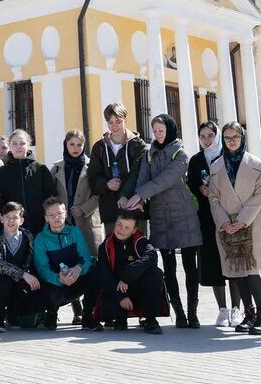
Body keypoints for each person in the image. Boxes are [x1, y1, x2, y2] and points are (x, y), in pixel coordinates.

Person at [121, 113, 204, 328]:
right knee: (168, 267)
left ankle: (192, 312)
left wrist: (140, 194)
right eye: (155, 131)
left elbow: (165, 180)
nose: (158, 135)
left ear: (170, 129)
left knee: (189, 266)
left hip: (183, 214)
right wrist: (137, 200)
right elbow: (143, 179)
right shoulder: (150, 154)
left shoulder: (180, 153)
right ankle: (179, 313)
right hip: (160, 215)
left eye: (161, 130)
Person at [209, 121, 261, 335]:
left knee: (251, 270)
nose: (231, 141)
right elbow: (213, 197)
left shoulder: (255, 164)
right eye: (227, 138)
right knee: (236, 272)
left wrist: (242, 220)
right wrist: (224, 222)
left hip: (249, 223)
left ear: (242, 137)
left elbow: (260, 195)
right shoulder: (216, 166)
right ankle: (249, 313)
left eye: (235, 137)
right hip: (227, 226)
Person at [189, 120, 240, 328]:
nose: (207, 140)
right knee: (212, 262)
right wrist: (199, 190)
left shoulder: (227, 155)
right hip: (206, 218)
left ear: (217, 135)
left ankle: (237, 308)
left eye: (210, 135)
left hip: (229, 216)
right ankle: (222, 309)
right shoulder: (196, 160)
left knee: (233, 261)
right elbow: (191, 183)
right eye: (202, 136)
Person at [50, 129, 102, 324]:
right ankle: (76, 307)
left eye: (79, 145)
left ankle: (91, 309)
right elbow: (50, 195)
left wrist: (83, 208)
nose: (75, 148)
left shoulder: (93, 166)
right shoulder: (56, 168)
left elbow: (99, 194)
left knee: (87, 264)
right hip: (63, 224)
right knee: (66, 263)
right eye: (71, 144)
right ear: (66, 145)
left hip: (85, 222)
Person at [93, 210, 167, 333]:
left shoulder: (141, 241)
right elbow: (105, 275)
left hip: (140, 291)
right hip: (117, 292)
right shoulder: (105, 246)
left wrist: (128, 274)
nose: (121, 230)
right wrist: (122, 297)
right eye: (119, 225)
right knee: (97, 272)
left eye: (127, 227)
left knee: (155, 273)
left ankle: (150, 320)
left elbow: (152, 256)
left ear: (134, 230)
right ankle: (120, 318)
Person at [32, 198, 100, 331]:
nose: (56, 217)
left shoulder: (75, 232)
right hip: (55, 284)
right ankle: (51, 315)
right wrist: (59, 278)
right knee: (49, 290)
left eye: (59, 213)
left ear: (65, 214)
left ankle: (87, 316)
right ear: (46, 218)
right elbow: (42, 269)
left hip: (76, 279)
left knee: (95, 274)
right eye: (51, 215)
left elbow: (86, 257)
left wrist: (78, 268)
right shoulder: (40, 239)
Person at [0, 201, 44, 332]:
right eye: (7, 217)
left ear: (21, 220)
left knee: (31, 286)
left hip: (20, 279)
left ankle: (13, 316)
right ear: (2, 219)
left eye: (15, 217)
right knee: (2, 281)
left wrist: (29, 276)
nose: (11, 221)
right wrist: (22, 274)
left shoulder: (28, 236)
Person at [87, 103, 145, 232]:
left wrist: (125, 195)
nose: (114, 126)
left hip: (134, 207)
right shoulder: (99, 147)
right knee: (113, 250)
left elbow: (139, 174)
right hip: (110, 210)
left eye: (118, 121)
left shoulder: (138, 145)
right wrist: (107, 185)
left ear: (125, 120)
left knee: (138, 248)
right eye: (110, 122)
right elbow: (92, 178)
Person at [0, 129, 57, 228]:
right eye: (14, 143)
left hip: (40, 224)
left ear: (28, 145)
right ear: (10, 146)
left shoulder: (40, 168)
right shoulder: (2, 172)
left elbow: (51, 195)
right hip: (14, 227)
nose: (18, 147)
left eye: (22, 143)